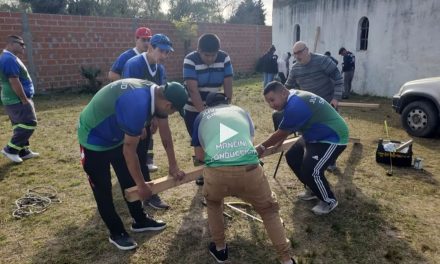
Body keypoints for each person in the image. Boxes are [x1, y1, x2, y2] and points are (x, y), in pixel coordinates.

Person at [77, 79, 188, 250]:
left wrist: (173, 165)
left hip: (117, 135)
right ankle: (117, 232)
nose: (171, 113)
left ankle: (140, 220)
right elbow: (130, 151)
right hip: (94, 137)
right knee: (103, 188)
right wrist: (142, 185)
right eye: (174, 110)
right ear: (168, 104)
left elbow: (166, 134)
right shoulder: (137, 103)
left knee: (128, 179)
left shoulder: (157, 93)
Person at [192, 92, 296, 264]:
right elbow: (248, 140)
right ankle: (286, 259)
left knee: (214, 203)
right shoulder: (241, 111)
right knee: (269, 211)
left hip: (217, 173)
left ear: (208, 106)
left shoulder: (201, 116)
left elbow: (200, 156)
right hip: (250, 169)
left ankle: (220, 250)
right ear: (227, 102)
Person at [257, 81, 349, 215]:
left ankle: (329, 200)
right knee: (292, 156)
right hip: (313, 134)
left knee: (311, 170)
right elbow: (286, 127)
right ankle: (313, 188)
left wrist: (261, 147)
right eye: (268, 102)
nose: (271, 105)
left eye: (272, 100)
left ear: (283, 93)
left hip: (332, 137)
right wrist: (281, 138)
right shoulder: (293, 96)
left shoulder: (296, 105)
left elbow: (282, 131)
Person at [122, 33, 174, 209]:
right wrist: (138, 125)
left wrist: (152, 119)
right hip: (129, 118)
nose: (165, 56)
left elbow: (158, 96)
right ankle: (142, 193)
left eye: (168, 53)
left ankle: (145, 192)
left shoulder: (160, 70)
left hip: (145, 117)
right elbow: (129, 97)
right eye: (162, 51)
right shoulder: (134, 65)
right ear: (150, 48)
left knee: (143, 155)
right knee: (131, 153)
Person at [183, 33, 233, 185]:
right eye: (207, 55)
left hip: (216, 106)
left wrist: (227, 106)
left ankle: (217, 169)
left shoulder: (224, 58)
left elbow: (228, 83)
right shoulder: (190, 60)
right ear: (198, 50)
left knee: (216, 139)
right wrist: (203, 114)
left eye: (213, 55)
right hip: (193, 109)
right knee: (199, 141)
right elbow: (192, 89)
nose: (210, 59)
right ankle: (201, 173)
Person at [107, 26, 159, 172]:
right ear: (136, 39)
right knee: (132, 131)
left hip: (148, 100)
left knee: (148, 131)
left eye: (149, 40)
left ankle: (147, 160)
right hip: (130, 100)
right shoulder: (127, 56)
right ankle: (129, 161)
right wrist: (128, 83)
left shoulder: (152, 58)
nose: (147, 43)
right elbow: (111, 74)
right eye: (144, 40)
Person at [0, 35, 39, 163]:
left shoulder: (9, 58)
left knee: (19, 125)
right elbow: (14, 81)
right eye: (21, 44)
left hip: (12, 99)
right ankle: (10, 150)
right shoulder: (8, 59)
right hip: (17, 99)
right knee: (29, 123)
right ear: (11, 44)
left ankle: (23, 151)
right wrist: (23, 99)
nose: (24, 47)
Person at [285, 41, 343, 108]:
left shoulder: (323, 60)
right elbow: (287, 87)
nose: (297, 56)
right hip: (309, 106)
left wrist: (336, 98)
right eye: (295, 54)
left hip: (328, 105)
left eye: (299, 52)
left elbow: (338, 79)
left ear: (307, 50)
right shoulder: (294, 68)